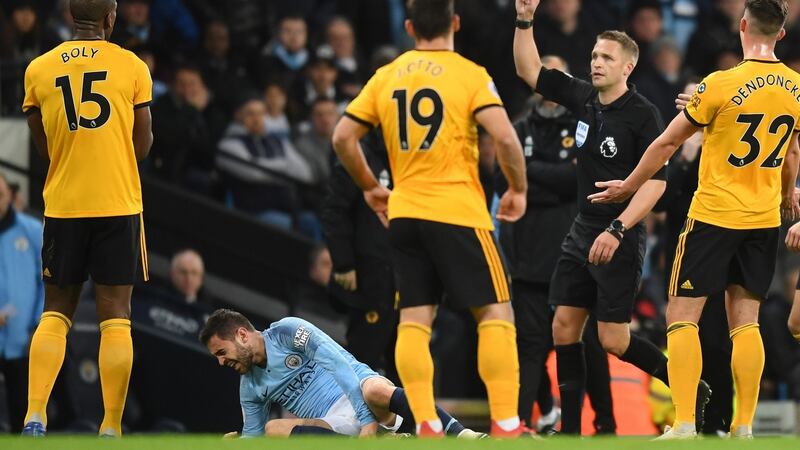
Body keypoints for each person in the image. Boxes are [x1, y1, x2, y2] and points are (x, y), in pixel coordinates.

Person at [590, 0, 800, 439]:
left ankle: (684, 420)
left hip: (713, 216)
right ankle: (743, 427)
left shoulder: (720, 83)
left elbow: (667, 144)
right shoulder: (797, 87)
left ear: (742, 25)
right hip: (762, 219)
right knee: (747, 322)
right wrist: (785, 196)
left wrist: (628, 185)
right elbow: (792, 154)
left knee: (682, 317)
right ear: (780, 34)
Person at [513, 0, 711, 436]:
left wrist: (619, 228)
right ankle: (569, 431)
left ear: (628, 68)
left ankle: (690, 389)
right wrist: (524, 19)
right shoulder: (584, 97)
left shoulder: (644, 116)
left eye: (606, 58)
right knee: (563, 328)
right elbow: (530, 70)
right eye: (594, 56)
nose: (596, 63)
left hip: (620, 232)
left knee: (613, 341)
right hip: (581, 227)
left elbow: (656, 184)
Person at [332, 0, 528, 438]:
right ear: (455, 23)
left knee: (415, 321)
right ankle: (507, 424)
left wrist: (369, 185)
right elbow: (507, 139)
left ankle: (425, 423)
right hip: (457, 210)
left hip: (404, 214)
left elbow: (343, 136)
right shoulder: (469, 74)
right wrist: (516, 189)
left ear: (408, 27)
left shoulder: (385, 76)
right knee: (496, 312)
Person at [20, 0, 153, 437]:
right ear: (111, 19)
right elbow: (144, 142)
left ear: (68, 18)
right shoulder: (132, 65)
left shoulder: (38, 69)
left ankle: (34, 413)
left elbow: (42, 146)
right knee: (115, 316)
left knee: (55, 313)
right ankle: (111, 426)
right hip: (117, 203)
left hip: (64, 205)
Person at [199, 309, 484, 438]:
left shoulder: (287, 331)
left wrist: (367, 421)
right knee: (273, 430)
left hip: (362, 394)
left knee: (372, 389)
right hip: (335, 424)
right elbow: (255, 436)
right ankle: (388, 443)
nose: (221, 363)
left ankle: (462, 434)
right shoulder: (249, 387)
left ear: (242, 335)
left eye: (222, 353)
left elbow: (338, 363)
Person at [321, 130, 397, 380]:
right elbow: (335, 211)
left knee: (405, 355)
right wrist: (344, 264)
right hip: (370, 272)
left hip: (404, 273)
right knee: (365, 351)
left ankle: (408, 418)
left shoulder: (409, 154)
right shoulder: (357, 154)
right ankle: (352, 416)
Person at [0, 172, 44, 434]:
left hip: (22, 337)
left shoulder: (31, 230)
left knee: (23, 410)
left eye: (1, 195)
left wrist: (38, 323)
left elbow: (48, 282)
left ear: (10, 197)